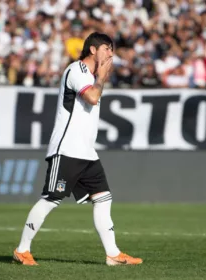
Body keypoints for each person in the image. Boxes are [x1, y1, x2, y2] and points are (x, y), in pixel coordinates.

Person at [13, 32, 143, 266]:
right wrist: (102, 77)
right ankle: (22, 249)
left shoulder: (91, 76)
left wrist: (100, 77)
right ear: (93, 50)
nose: (111, 54)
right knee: (51, 199)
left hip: (86, 152)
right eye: (107, 48)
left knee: (103, 198)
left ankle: (112, 254)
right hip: (67, 150)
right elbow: (92, 97)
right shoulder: (77, 71)